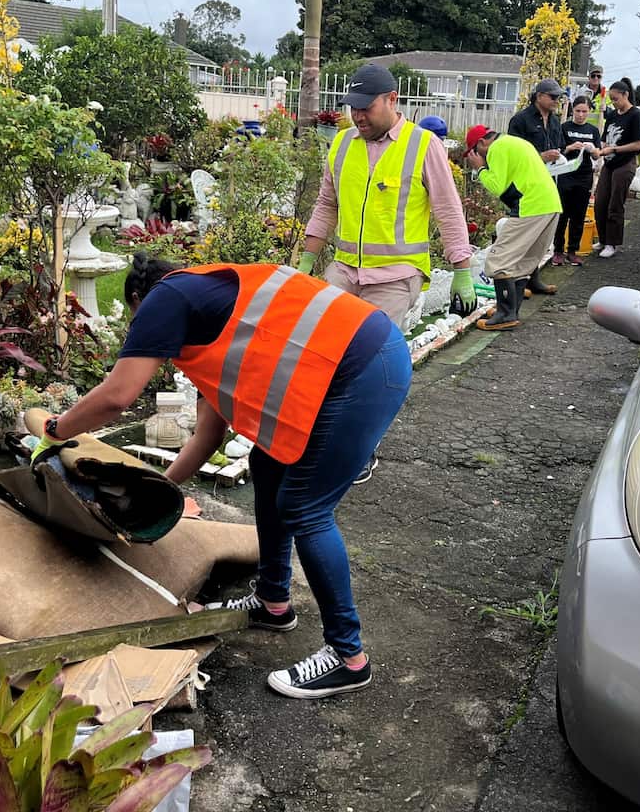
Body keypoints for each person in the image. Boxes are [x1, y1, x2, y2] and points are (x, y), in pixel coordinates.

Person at [31, 253, 411, 699]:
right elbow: (209, 435)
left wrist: (56, 430)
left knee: (305, 507)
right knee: (266, 464)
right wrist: (159, 493)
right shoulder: (206, 316)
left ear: (138, 300)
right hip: (356, 363)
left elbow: (119, 395)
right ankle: (274, 602)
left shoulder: (164, 300)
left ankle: (349, 659)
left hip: (364, 370)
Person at [301, 63, 473, 482]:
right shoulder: (342, 145)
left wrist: (463, 269)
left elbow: (448, 210)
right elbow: (327, 204)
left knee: (367, 367)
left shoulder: (423, 145)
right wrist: (307, 259)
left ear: (392, 100)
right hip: (344, 270)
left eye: (366, 108)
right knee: (320, 352)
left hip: (396, 276)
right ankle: (322, 437)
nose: (358, 117)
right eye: (351, 108)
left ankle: (360, 449)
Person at [464, 126, 561, 330]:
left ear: (482, 142)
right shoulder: (515, 142)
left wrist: (480, 168)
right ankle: (510, 311)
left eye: (475, 151)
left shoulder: (497, 148)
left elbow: (497, 186)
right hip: (550, 204)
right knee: (523, 263)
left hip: (531, 206)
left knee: (499, 260)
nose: (476, 156)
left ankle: (505, 314)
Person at [593, 78, 640, 260]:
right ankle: (602, 238)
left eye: (616, 99)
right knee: (600, 201)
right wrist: (598, 150)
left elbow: (638, 145)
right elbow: (604, 138)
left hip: (624, 164)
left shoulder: (636, 116)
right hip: (609, 163)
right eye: (611, 99)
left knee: (615, 203)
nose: (614, 103)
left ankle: (612, 243)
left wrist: (614, 149)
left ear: (625, 95)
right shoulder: (613, 115)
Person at [554, 96, 602, 266]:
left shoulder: (593, 130)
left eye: (584, 111)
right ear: (572, 110)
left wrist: (592, 149)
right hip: (566, 174)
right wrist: (569, 147)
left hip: (584, 176)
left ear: (589, 112)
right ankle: (558, 250)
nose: (581, 115)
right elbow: (557, 152)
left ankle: (573, 251)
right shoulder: (564, 127)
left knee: (579, 215)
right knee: (562, 214)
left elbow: (598, 154)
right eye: (578, 111)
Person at [508, 78, 568, 166]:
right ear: (539, 96)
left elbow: (561, 147)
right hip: (527, 175)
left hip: (549, 176)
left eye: (559, 97)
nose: (556, 101)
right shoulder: (520, 119)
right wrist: (540, 156)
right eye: (553, 97)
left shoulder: (555, 120)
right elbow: (513, 151)